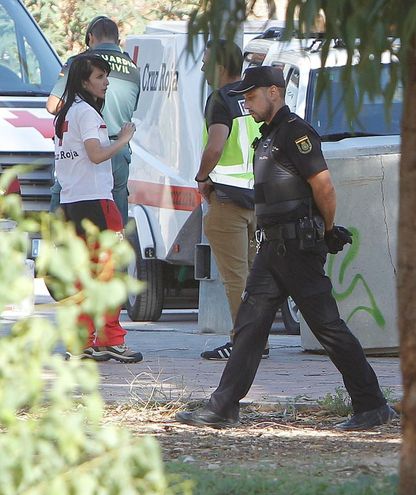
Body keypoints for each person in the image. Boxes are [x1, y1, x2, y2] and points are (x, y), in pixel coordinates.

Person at [176, 67, 394, 430]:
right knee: (249, 326)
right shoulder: (269, 135)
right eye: (243, 96)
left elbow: (323, 187)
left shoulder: (297, 133)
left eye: (251, 95)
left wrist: (326, 230)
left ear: (274, 91)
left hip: (297, 248)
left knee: (328, 328)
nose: (245, 102)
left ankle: (372, 404)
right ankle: (224, 405)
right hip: (273, 248)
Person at [54, 54, 141, 363]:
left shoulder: (67, 113)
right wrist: (123, 139)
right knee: (109, 272)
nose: (106, 83)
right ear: (83, 82)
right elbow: (95, 154)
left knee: (82, 275)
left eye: (106, 77)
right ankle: (111, 339)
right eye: (100, 77)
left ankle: (81, 342)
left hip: (71, 202)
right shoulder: (88, 114)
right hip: (96, 201)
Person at [195, 40, 264, 361]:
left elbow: (215, 145)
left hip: (226, 198)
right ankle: (257, 341)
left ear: (221, 67)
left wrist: (201, 177)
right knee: (251, 277)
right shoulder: (252, 96)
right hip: (256, 200)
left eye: (206, 61)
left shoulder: (219, 100)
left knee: (235, 278)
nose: (202, 67)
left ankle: (243, 343)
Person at [48, 16, 140, 226]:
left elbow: (52, 106)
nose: (106, 83)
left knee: (68, 221)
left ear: (90, 37)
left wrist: (72, 106)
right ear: (117, 39)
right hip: (116, 148)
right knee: (113, 223)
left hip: (82, 156)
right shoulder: (132, 67)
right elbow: (132, 107)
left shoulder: (81, 63)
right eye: (101, 78)